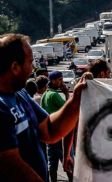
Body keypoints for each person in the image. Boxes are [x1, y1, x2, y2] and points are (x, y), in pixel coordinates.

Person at [0, 34, 87, 181]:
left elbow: (50, 131)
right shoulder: (2, 106)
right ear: (15, 67)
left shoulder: (20, 94)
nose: (33, 68)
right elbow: (11, 166)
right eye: (30, 62)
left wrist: (76, 99)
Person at [41, 71, 73, 182]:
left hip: (50, 136)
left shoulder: (45, 94)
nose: (62, 82)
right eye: (59, 79)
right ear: (53, 80)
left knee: (52, 164)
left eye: (62, 79)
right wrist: (67, 93)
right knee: (68, 161)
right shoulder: (54, 95)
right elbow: (68, 109)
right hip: (59, 135)